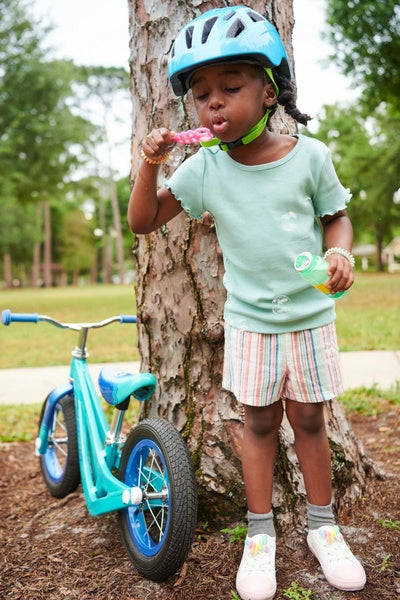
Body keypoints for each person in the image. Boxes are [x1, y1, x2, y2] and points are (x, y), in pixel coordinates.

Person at [127, 6, 366, 600]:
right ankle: (259, 538)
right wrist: (149, 160)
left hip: (311, 317)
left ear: (267, 93)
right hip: (251, 323)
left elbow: (336, 219)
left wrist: (341, 256)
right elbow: (143, 220)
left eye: (230, 88)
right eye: (201, 94)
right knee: (259, 422)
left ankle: (322, 527)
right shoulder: (204, 168)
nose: (214, 104)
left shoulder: (309, 156)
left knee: (309, 418)